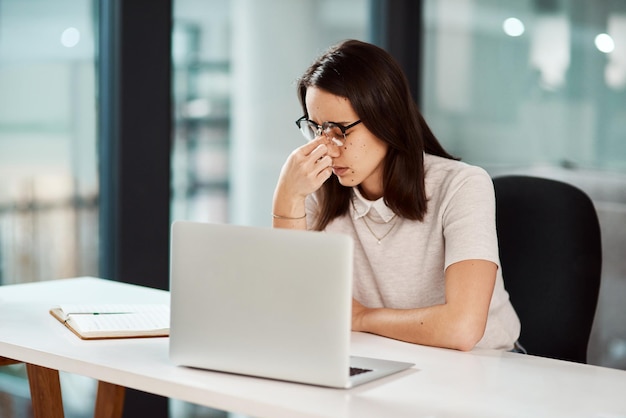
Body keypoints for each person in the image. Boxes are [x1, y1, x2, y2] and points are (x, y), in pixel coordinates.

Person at [272, 39, 521, 351]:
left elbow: (462, 328)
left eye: (339, 131)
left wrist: (362, 318)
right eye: (316, 129)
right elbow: (296, 314)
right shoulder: (318, 192)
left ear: (385, 119)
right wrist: (287, 197)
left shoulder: (462, 185)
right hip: (388, 356)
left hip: (487, 367)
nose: (325, 148)